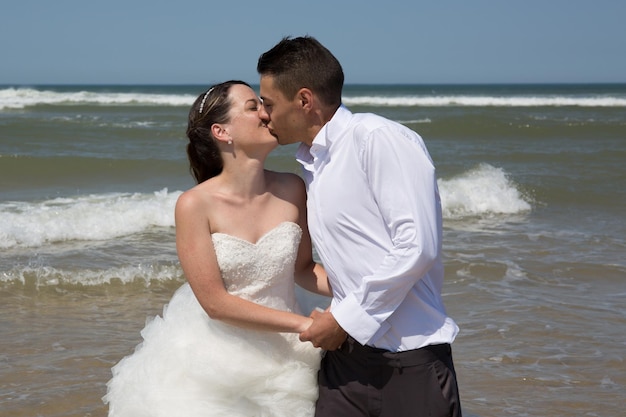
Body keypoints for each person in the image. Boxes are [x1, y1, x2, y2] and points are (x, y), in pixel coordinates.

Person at [257, 36, 463, 417]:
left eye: (269, 104)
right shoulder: (311, 164)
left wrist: (342, 319)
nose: (263, 115)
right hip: (344, 365)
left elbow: (417, 245)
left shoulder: (379, 139)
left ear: (304, 101)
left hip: (410, 364)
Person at [103, 80, 332, 417]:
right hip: (217, 362)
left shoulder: (293, 188)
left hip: (290, 354)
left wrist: (363, 289)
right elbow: (216, 303)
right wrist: (302, 326)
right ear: (221, 131)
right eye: (253, 107)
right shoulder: (194, 205)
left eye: (263, 104)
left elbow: (302, 269)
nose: (267, 113)